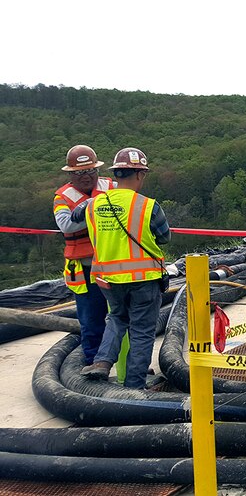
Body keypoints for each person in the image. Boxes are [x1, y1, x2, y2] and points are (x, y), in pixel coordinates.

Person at [78, 148, 170, 388]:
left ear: (116, 174)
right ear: (139, 174)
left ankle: (101, 362)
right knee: (141, 332)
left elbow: (76, 215)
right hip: (144, 279)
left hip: (108, 279)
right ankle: (134, 386)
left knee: (117, 318)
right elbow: (164, 237)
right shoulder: (148, 206)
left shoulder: (94, 205)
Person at [53, 145, 114, 366]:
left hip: (114, 263)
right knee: (91, 319)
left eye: (90, 170)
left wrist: (93, 205)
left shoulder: (111, 185)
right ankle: (93, 364)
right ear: (70, 174)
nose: (86, 176)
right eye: (79, 173)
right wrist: (93, 205)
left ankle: (129, 364)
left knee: (123, 317)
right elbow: (66, 225)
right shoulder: (62, 197)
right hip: (85, 267)